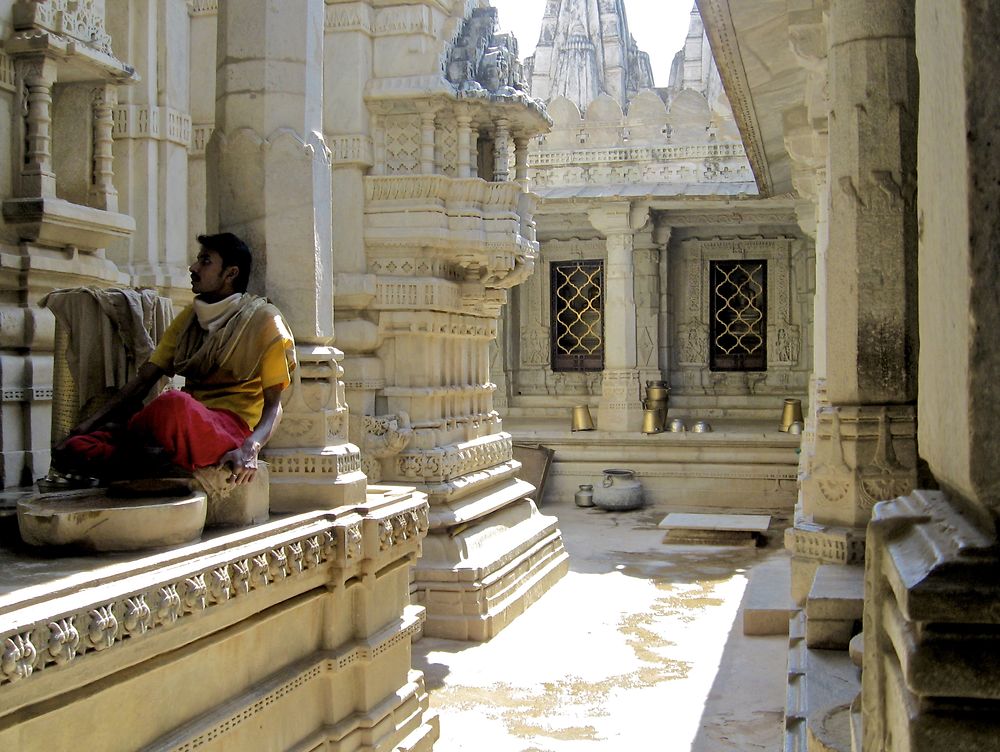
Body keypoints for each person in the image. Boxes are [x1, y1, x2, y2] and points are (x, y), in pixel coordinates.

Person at [52, 233, 296, 486]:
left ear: (230, 274)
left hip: (225, 429)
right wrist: (87, 425)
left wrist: (250, 449)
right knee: (74, 447)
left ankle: (146, 459)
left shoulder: (265, 320)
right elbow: (144, 380)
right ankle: (153, 460)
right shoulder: (190, 317)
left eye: (205, 261)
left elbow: (274, 406)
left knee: (173, 404)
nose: (193, 268)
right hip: (175, 426)